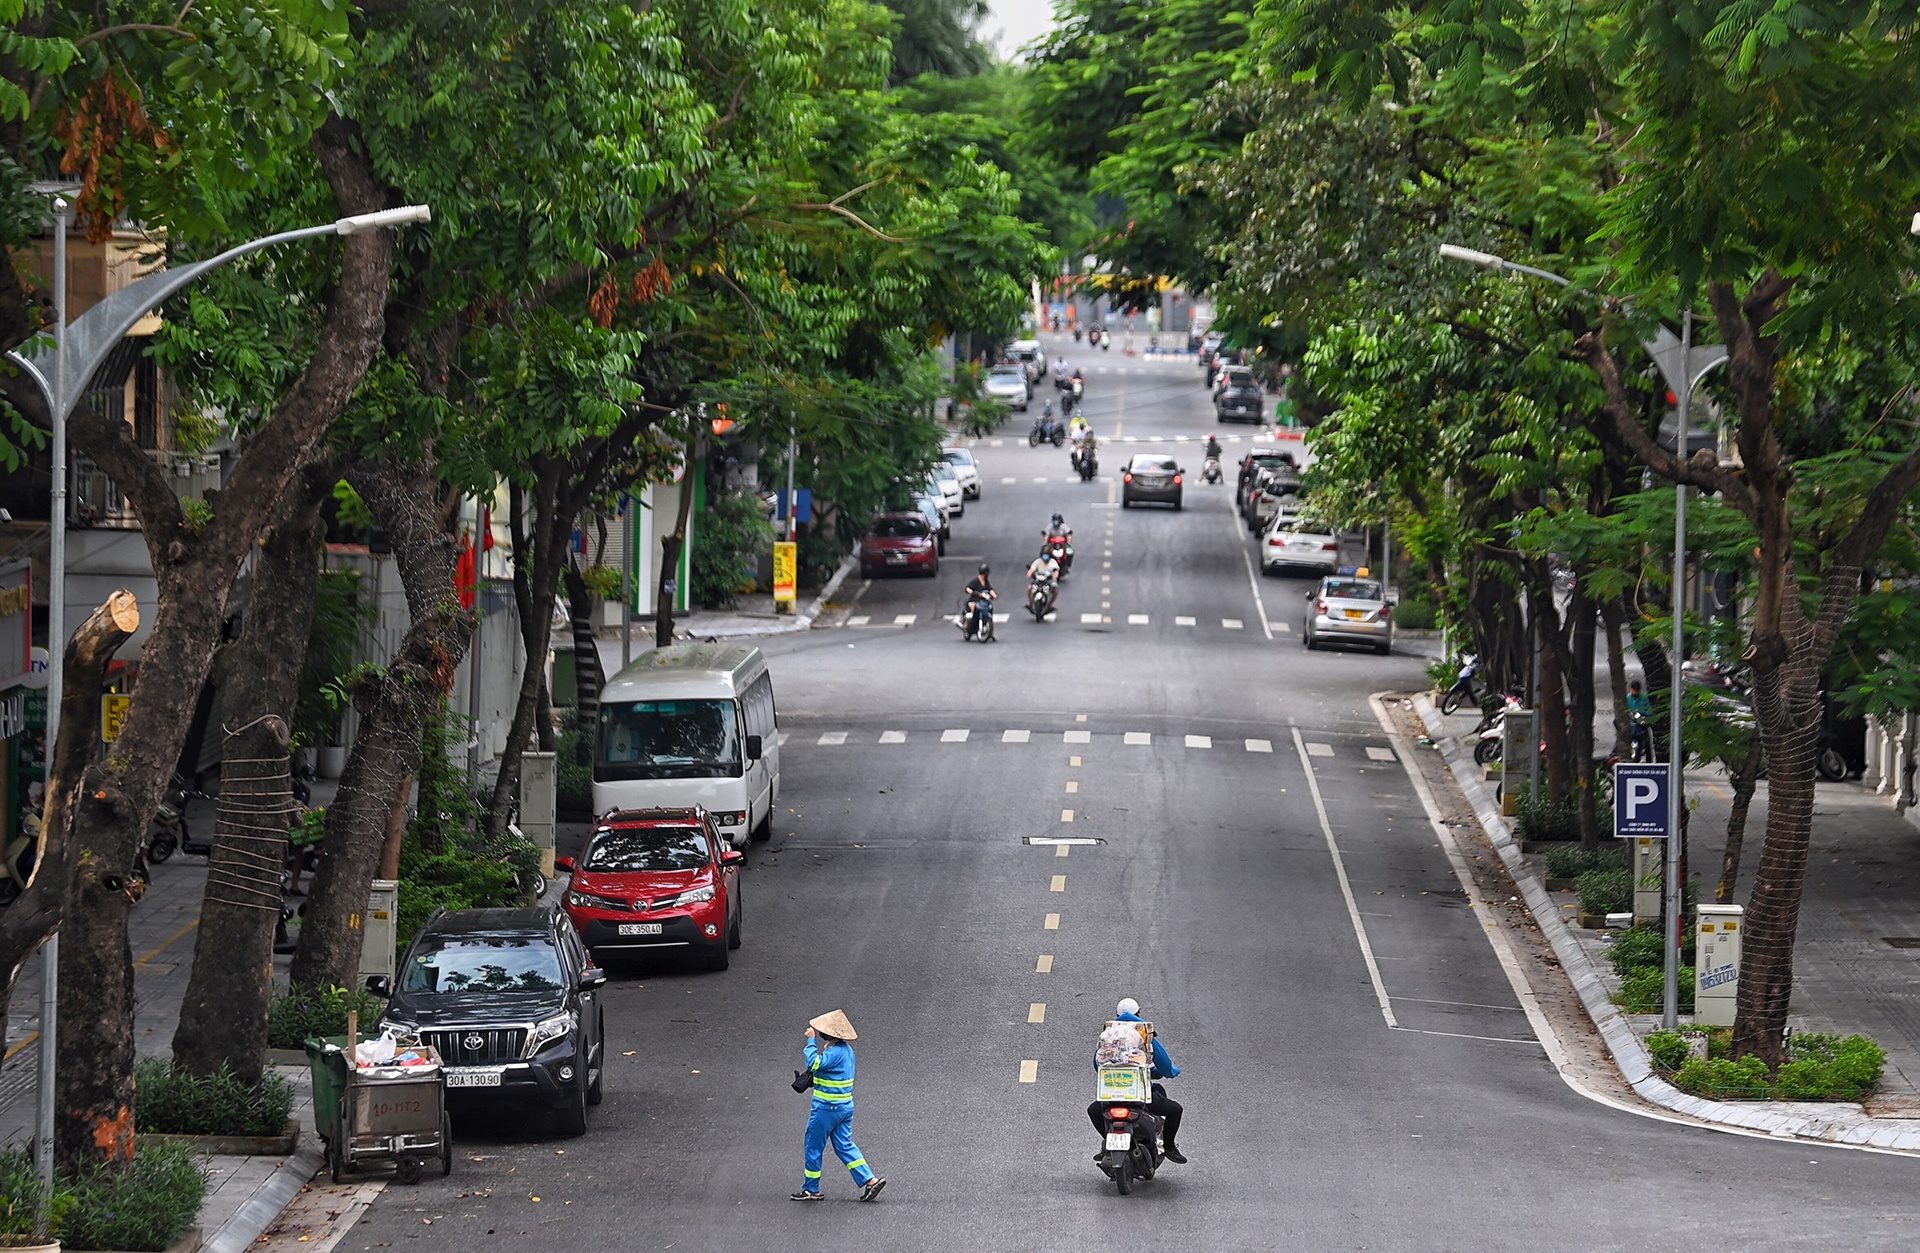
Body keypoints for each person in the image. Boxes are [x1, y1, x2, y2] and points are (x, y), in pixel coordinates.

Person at [792, 1010, 886, 1202]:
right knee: (844, 1145)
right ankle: (869, 1180)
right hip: (844, 1107)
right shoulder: (846, 1051)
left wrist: (810, 1042)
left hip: (827, 1108)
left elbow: (814, 1062)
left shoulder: (834, 1052)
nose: (818, 1032)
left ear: (829, 1034)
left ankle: (811, 1189)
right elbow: (832, 1074)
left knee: (813, 1146)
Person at [1086, 997, 1185, 1163]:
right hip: (1138, 1097)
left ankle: (1107, 1145)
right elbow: (1164, 1064)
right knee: (1176, 1110)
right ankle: (1169, 1147)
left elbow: (1098, 1063)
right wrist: (1172, 1072)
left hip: (1111, 1098)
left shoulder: (1108, 1035)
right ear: (1138, 1013)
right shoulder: (1144, 1034)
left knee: (1093, 1110)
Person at [962, 563, 997, 641]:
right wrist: (973, 593)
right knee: (973, 605)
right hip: (974, 600)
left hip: (983, 602)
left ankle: (991, 633)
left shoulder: (986, 581)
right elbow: (968, 588)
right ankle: (967, 623)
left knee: (990, 609)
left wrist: (994, 595)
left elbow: (990, 589)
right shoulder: (975, 581)